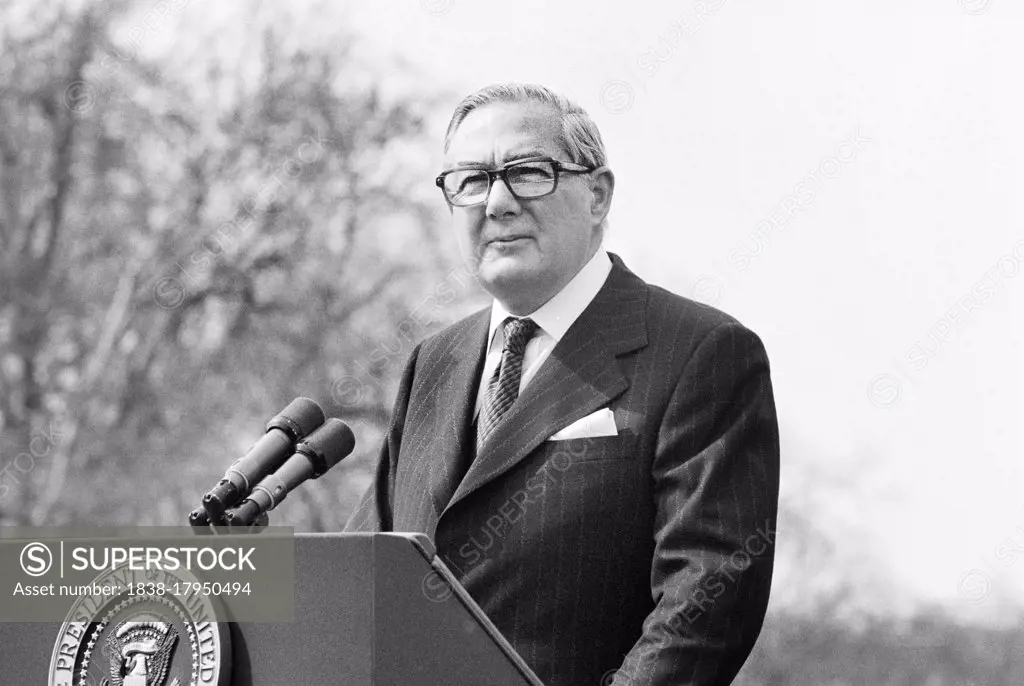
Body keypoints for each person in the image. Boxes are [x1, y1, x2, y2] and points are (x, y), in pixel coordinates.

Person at [344, 82, 780, 686]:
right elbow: (360, 579)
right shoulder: (432, 364)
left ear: (597, 195)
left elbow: (708, 594)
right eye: (469, 180)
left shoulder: (701, 351)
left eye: (527, 172)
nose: (496, 203)